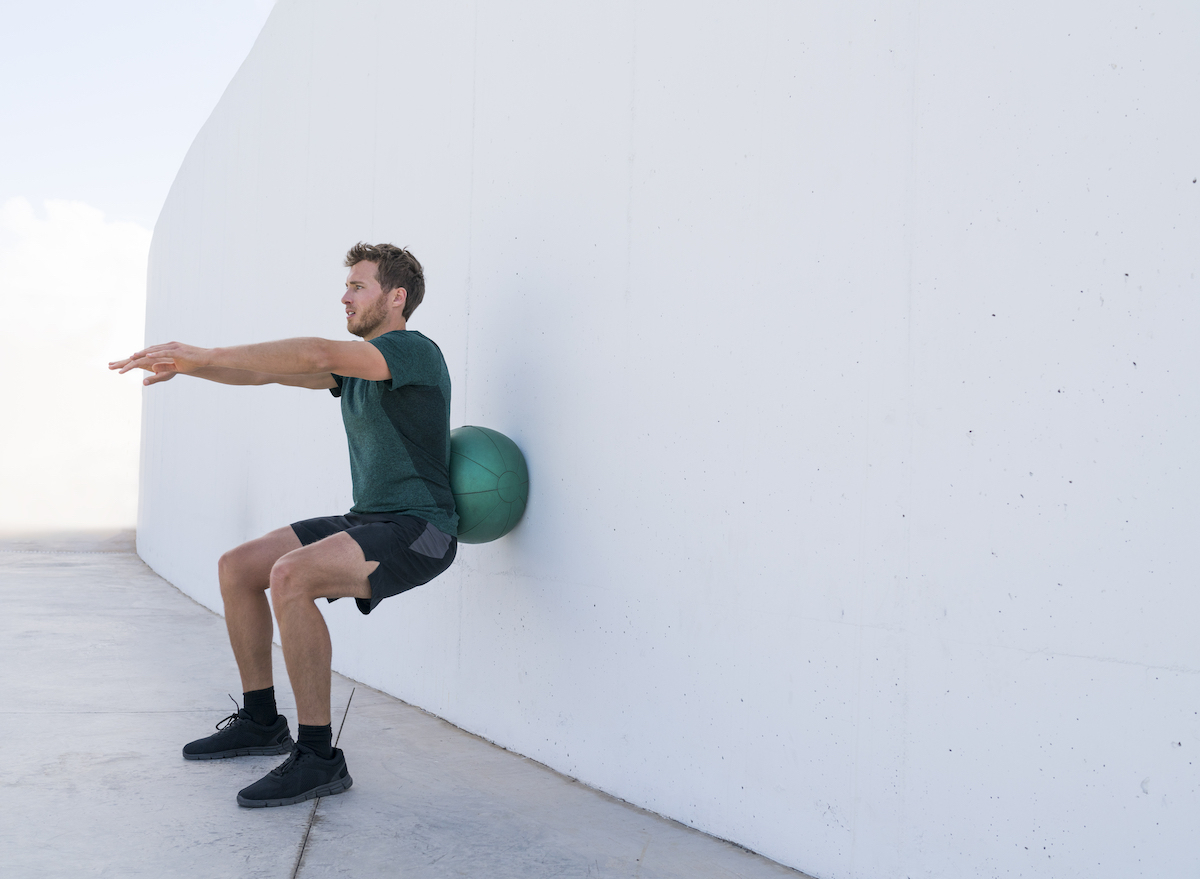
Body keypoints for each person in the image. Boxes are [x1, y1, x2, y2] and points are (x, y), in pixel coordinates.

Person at [110, 243, 458, 807]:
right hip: (369, 517)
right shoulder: (355, 372)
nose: (344, 295)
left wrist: (206, 349)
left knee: (291, 575)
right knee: (240, 567)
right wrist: (194, 365)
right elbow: (267, 373)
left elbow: (318, 349)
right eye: (346, 285)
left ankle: (319, 756)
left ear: (396, 298)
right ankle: (261, 720)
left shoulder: (412, 351)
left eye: (359, 286)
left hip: (421, 528)